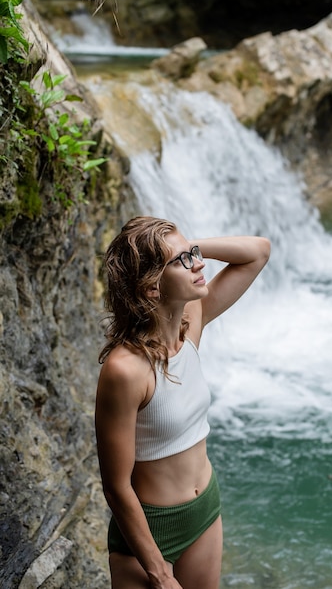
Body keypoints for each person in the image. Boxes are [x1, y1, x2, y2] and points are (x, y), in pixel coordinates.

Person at [95, 215, 271, 589]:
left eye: (194, 254)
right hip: (151, 530)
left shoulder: (192, 323)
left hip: (205, 510)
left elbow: (258, 252)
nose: (200, 263)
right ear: (152, 288)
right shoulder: (125, 370)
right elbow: (116, 485)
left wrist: (186, 248)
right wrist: (158, 570)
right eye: (184, 260)